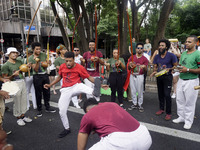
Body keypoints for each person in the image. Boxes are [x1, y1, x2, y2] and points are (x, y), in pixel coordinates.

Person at [44, 52, 105, 138]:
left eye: (70, 61)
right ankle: (67, 128)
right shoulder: (62, 66)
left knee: (83, 87)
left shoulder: (79, 67)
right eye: (66, 61)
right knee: (62, 111)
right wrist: (50, 85)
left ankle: (94, 92)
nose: (68, 63)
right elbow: (59, 77)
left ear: (74, 60)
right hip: (66, 89)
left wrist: (100, 85)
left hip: (76, 86)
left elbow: (88, 77)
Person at [77, 98, 152, 150]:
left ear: (87, 110)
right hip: (144, 136)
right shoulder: (112, 104)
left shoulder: (88, 114)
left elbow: (82, 134)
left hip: (121, 142)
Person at [172, 35, 200, 130]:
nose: (186, 43)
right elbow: (181, 65)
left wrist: (187, 69)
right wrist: (176, 69)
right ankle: (181, 117)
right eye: (186, 41)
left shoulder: (198, 54)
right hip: (181, 80)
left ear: (195, 43)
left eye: (189, 42)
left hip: (192, 81)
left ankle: (188, 121)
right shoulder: (183, 53)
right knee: (179, 100)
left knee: (189, 102)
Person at [1, 47, 32, 126]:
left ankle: (23, 116)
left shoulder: (19, 61)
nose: (15, 54)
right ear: (8, 54)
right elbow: (5, 78)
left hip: (22, 82)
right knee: (17, 101)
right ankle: (18, 117)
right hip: (13, 84)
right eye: (13, 53)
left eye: (16, 53)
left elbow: (24, 69)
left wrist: (28, 66)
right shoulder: (5, 65)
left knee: (24, 99)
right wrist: (13, 75)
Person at [150, 39, 177, 120]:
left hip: (167, 77)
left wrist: (170, 69)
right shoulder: (157, 56)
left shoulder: (171, 55)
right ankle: (161, 109)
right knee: (160, 94)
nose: (160, 47)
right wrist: (154, 72)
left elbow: (176, 66)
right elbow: (155, 66)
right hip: (159, 77)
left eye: (162, 46)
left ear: (166, 47)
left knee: (167, 94)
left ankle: (168, 113)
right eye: (160, 45)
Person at [29, 42, 56, 117]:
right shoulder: (31, 58)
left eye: (39, 49)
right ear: (33, 49)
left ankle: (47, 107)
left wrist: (49, 62)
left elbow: (47, 65)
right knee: (38, 94)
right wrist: (37, 62)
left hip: (45, 75)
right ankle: (39, 109)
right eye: (37, 49)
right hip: (37, 76)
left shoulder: (44, 55)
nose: (38, 50)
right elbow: (36, 69)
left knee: (47, 92)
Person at [127, 43, 148, 112]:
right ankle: (134, 103)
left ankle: (140, 104)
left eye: (141, 48)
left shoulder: (144, 59)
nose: (139, 49)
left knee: (140, 91)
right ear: (136, 49)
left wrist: (144, 67)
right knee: (133, 90)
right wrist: (130, 65)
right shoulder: (132, 57)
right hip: (132, 75)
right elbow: (129, 68)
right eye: (138, 48)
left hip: (140, 75)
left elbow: (145, 70)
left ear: (143, 50)